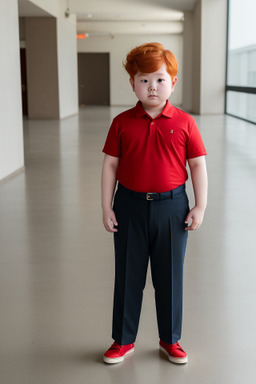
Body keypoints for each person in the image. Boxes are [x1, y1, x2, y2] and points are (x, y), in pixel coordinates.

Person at [101, 42, 208, 365]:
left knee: (170, 277)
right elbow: (110, 165)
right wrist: (106, 207)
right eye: (144, 79)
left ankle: (170, 339)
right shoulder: (122, 122)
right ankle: (123, 340)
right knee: (128, 275)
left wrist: (199, 206)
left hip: (172, 209)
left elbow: (198, 165)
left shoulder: (185, 122)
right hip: (129, 207)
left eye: (160, 79)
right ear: (133, 83)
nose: (152, 86)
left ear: (172, 83)